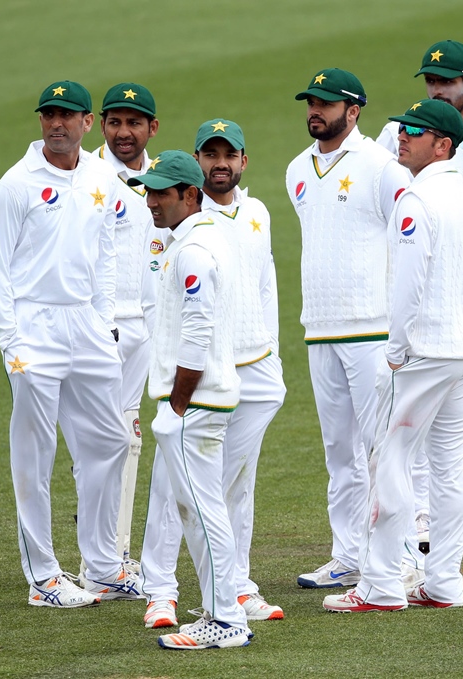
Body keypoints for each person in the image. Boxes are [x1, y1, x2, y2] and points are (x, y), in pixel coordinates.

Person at [323, 99, 463, 613]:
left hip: (423, 351)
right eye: (403, 128)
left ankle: (380, 585)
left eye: (415, 132)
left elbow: (408, 284)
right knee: (449, 465)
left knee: (389, 460)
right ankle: (442, 582)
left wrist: (396, 349)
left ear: (443, 144)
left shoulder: (417, 200)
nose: (402, 136)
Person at [0, 80, 140, 607]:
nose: (57, 123)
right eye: (49, 114)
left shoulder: (100, 176)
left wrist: (104, 319)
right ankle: (43, 578)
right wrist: (11, 342)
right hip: (33, 328)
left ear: (86, 122)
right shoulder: (14, 185)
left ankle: (101, 568)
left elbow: (106, 252)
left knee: (111, 443)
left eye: (68, 115)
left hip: (87, 327)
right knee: (36, 451)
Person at [139, 120, 287, 629]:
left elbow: (265, 285)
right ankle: (160, 589)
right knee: (174, 486)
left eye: (230, 153)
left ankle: (233, 592)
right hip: (200, 374)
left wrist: (273, 354)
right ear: (197, 168)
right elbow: (161, 304)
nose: (220, 162)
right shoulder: (176, 227)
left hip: (239, 370)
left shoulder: (254, 215)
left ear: (244, 160)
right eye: (210, 153)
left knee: (230, 487)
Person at [377, 39, 463, 552]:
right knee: (449, 442)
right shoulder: (407, 146)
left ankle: (396, 567)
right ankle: (442, 568)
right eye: (430, 81)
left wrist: (396, 345)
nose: (436, 89)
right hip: (454, 302)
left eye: (445, 82)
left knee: (400, 448)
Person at [285, 68, 411, 588]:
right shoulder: (296, 169)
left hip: (372, 330)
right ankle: (349, 554)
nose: (315, 110)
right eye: (310, 101)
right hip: (320, 327)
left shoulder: (383, 167)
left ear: (353, 110)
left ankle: (401, 557)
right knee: (340, 454)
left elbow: (408, 242)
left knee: (384, 450)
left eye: (326, 103)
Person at [129, 151, 252, 649]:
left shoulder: (195, 251)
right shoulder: (198, 242)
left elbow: (197, 333)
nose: (152, 201)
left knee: (202, 513)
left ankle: (225, 622)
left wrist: (177, 403)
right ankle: (221, 615)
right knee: (198, 510)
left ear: (190, 195)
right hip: (203, 402)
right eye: (149, 191)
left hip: (195, 405)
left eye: (162, 192)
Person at [91, 82, 159, 564]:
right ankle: (101, 557)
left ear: (152, 128)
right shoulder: (88, 176)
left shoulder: (166, 177)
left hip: (148, 326)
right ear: (100, 125)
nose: (123, 132)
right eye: (115, 121)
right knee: (102, 439)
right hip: (100, 324)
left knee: (128, 435)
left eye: (134, 122)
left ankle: (115, 554)